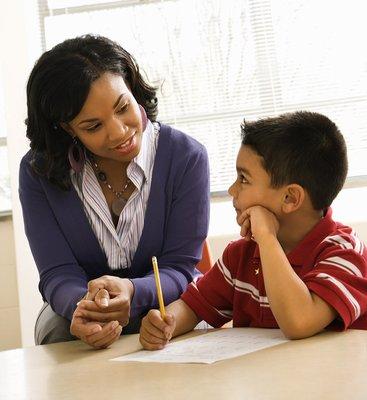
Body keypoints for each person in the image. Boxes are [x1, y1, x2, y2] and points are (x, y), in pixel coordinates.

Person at [19, 34, 209, 348]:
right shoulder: (38, 171)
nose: (119, 132)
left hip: (167, 298)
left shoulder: (186, 157)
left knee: (195, 320)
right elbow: (57, 271)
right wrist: (83, 305)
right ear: (66, 128)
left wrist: (133, 291)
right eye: (93, 126)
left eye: (123, 107)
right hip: (82, 306)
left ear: (132, 88)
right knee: (57, 332)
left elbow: (180, 267)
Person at [139, 111, 367, 350]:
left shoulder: (345, 254)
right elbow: (193, 306)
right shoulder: (240, 255)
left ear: (290, 197)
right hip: (266, 383)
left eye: (243, 179)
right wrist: (167, 323)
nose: (231, 190)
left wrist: (268, 239)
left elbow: (299, 322)